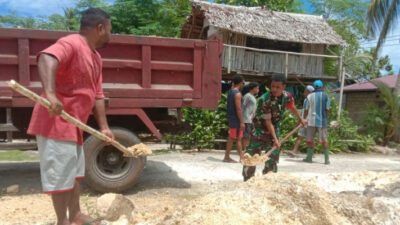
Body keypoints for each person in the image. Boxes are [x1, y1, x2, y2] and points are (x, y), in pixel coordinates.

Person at [27, 8, 113, 225]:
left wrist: (104, 127)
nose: (111, 35)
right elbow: (47, 57)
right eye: (110, 30)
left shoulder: (96, 57)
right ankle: (62, 221)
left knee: (74, 175)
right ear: (100, 28)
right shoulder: (72, 42)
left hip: (74, 126)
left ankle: (75, 215)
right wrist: (52, 94)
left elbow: (98, 95)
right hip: (54, 122)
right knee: (61, 177)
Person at [242, 74, 307, 181]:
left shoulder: (287, 96)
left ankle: (269, 180)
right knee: (252, 157)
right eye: (272, 86)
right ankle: (248, 180)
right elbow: (268, 122)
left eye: (278, 87)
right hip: (258, 130)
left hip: (274, 129)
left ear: (284, 87)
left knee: (273, 157)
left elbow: (291, 107)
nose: (274, 89)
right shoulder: (265, 99)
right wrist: (276, 139)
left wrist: (301, 119)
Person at [303, 80, 331, 164]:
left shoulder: (309, 96)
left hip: (311, 121)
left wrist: (304, 119)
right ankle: (327, 160)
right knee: (324, 141)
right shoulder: (326, 96)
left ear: (314, 87)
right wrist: (326, 119)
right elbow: (327, 109)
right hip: (322, 122)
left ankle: (309, 158)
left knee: (310, 140)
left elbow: (306, 110)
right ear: (322, 86)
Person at [223, 75, 245, 163]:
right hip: (236, 118)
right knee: (238, 138)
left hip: (231, 117)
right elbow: (238, 109)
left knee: (231, 138)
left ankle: (227, 156)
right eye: (243, 83)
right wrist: (242, 122)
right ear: (240, 83)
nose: (243, 84)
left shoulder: (230, 92)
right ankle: (241, 157)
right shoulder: (237, 94)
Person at [288, 85, 314, 157]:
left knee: (300, 136)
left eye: (305, 90)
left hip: (305, 121)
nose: (304, 92)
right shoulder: (314, 100)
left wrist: (301, 120)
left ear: (308, 92)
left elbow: (306, 111)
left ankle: (294, 151)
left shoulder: (307, 99)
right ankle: (312, 153)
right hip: (311, 121)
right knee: (310, 137)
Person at [242, 82, 259, 151]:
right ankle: (244, 150)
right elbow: (243, 106)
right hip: (246, 119)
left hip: (251, 119)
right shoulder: (247, 96)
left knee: (250, 135)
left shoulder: (253, 97)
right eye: (257, 88)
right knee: (246, 135)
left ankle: (247, 149)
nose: (258, 89)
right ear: (253, 88)